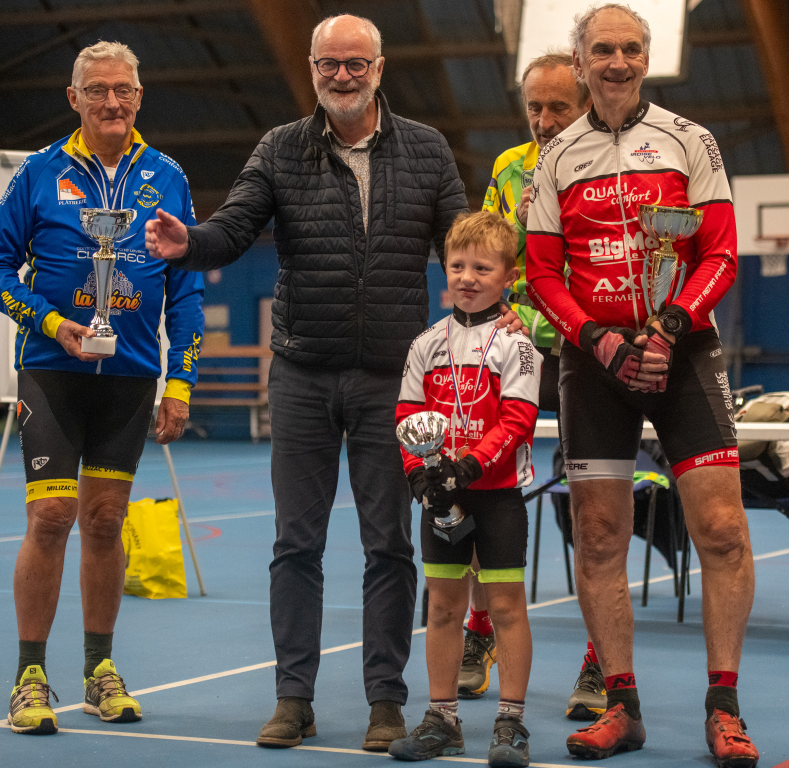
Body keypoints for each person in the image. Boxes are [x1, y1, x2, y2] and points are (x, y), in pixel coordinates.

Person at [143, 14, 522, 751]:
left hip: (395, 382)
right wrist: (190, 243)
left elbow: (463, 244)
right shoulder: (280, 147)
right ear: (314, 68)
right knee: (296, 544)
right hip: (302, 373)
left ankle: (386, 702)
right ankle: (294, 700)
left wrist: (498, 305)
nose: (341, 76)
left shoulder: (426, 148)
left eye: (355, 64)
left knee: (390, 546)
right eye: (328, 64)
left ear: (379, 68)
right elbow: (233, 227)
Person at [525, 4, 758, 767]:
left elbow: (721, 253)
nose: (617, 61)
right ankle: (620, 706)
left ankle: (724, 708)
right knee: (598, 536)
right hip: (594, 364)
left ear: (646, 59)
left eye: (630, 48)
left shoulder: (691, 141)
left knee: (721, 529)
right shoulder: (556, 159)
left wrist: (669, 327)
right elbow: (541, 273)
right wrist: (597, 339)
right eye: (603, 50)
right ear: (580, 62)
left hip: (681, 354)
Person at [0, 41, 204, 735]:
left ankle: (100, 670)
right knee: (51, 516)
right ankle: (29, 678)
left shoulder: (167, 176)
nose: (111, 101)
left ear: (139, 96)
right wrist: (49, 322)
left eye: (123, 89)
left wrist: (181, 381)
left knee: (105, 521)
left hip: (129, 377)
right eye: (97, 90)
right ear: (73, 98)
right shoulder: (40, 172)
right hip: (53, 371)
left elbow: (186, 287)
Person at [468, 52, 603, 722]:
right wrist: (522, 228)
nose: (545, 121)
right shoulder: (508, 167)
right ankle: (479, 631)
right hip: (518, 351)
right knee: (478, 491)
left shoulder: (612, 168)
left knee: (594, 514)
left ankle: (602, 659)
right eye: (535, 108)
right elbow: (489, 259)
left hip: (589, 350)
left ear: (587, 106)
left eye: (559, 108)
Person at [391, 211, 541, 767]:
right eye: (458, 266)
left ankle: (511, 723)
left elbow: (518, 419)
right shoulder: (426, 342)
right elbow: (407, 416)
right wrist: (418, 472)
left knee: (505, 607)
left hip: (495, 493)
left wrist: (471, 468)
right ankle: (442, 719)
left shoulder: (518, 344)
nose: (468, 277)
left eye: (482, 268)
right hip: (441, 496)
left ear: (508, 276)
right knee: (443, 607)